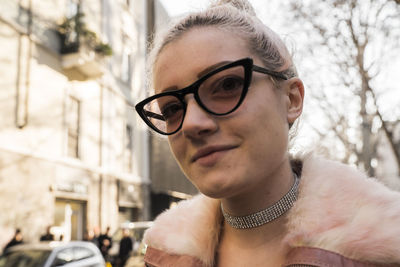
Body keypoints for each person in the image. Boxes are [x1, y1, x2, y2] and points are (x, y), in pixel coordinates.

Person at [134, 0, 400, 266]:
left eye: (227, 85)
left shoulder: (385, 248)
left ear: (292, 99)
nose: (191, 123)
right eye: (171, 109)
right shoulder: (161, 256)